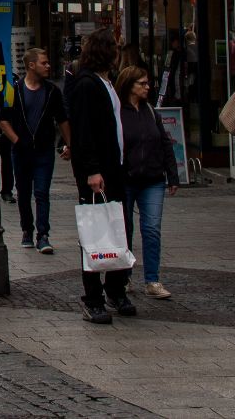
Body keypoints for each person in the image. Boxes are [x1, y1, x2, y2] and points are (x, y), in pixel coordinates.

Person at [65, 29, 133, 324]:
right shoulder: (86, 85)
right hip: (97, 170)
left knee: (120, 227)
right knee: (94, 232)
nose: (118, 52)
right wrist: (92, 169)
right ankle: (92, 297)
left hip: (114, 167)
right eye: (115, 47)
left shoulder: (106, 82)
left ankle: (116, 288)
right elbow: (83, 131)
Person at [117, 64, 180, 300]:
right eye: (142, 83)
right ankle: (123, 277)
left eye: (147, 83)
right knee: (124, 229)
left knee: (151, 229)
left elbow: (164, 143)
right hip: (126, 179)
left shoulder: (150, 111)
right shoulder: (118, 111)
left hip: (153, 179)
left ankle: (152, 280)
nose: (147, 87)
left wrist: (173, 176)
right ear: (129, 86)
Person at [14, 46, 70, 253]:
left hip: (44, 150)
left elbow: (62, 119)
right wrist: (17, 141)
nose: (48, 66)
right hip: (21, 151)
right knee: (23, 192)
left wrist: (69, 144)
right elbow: (2, 119)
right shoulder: (16, 89)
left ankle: (43, 235)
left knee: (41, 192)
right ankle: (27, 230)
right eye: (43, 63)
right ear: (31, 65)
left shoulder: (52, 91)